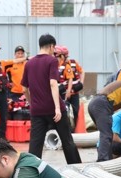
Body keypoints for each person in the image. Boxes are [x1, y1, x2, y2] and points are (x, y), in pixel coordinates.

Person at [21, 33, 81, 164]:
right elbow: (53, 83)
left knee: (35, 145)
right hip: (53, 109)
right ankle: (77, 169)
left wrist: (32, 104)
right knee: (67, 141)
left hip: (37, 111)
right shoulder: (52, 60)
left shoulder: (29, 63)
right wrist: (58, 108)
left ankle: (32, 171)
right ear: (52, 46)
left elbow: (24, 89)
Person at [54, 45, 85, 132]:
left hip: (74, 91)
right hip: (62, 91)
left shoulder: (73, 63)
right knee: (64, 112)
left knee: (76, 111)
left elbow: (82, 72)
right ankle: (65, 129)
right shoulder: (56, 65)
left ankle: (75, 129)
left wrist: (81, 83)